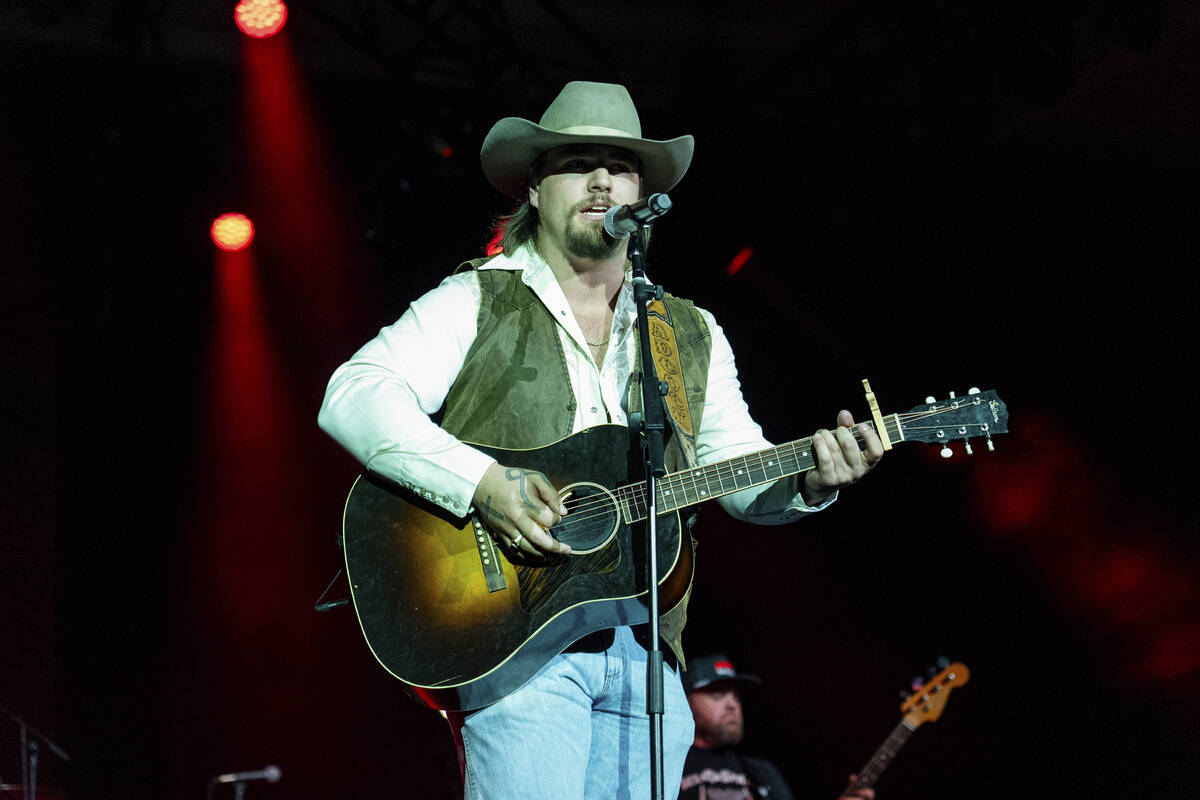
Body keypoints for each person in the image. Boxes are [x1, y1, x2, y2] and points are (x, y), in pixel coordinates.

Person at [318, 80, 884, 800]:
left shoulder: (689, 331)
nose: (599, 180)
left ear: (642, 192)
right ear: (533, 188)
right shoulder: (475, 300)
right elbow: (355, 394)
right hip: (518, 648)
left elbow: (737, 471)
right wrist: (483, 483)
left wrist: (810, 480)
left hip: (650, 655)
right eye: (575, 163)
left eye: (618, 165)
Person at [681, 654, 875, 800]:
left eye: (736, 696)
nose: (732, 704)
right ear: (686, 701)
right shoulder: (667, 763)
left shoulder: (759, 771)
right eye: (717, 694)